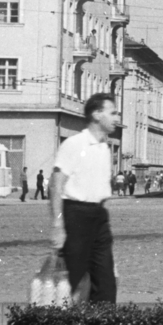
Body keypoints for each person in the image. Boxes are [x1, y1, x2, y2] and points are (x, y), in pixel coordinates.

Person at [50, 93, 120, 305]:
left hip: (98, 217)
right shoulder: (75, 144)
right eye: (113, 113)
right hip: (76, 216)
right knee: (72, 280)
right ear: (97, 114)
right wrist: (57, 224)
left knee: (105, 281)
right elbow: (55, 185)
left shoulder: (103, 148)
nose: (117, 118)